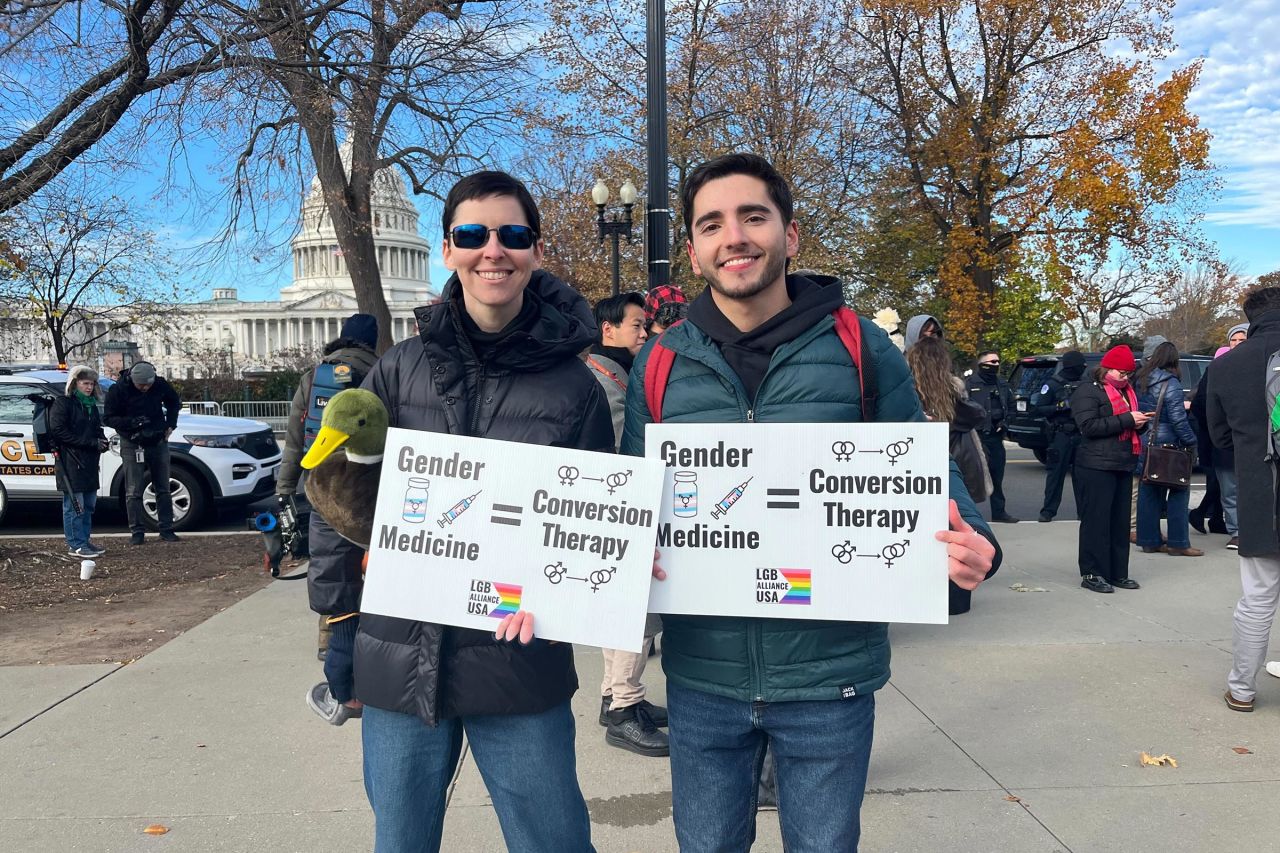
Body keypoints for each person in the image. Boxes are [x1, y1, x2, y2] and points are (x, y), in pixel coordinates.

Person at [620, 153, 999, 851]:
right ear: (695, 250)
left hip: (831, 679)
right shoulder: (661, 361)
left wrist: (977, 539)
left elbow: (917, 458)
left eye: (752, 216)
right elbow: (631, 499)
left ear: (789, 236)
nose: (733, 236)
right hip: (705, 678)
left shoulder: (861, 347)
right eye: (712, 223)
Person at [310, 171, 613, 850]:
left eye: (513, 235)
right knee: (402, 841)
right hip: (399, 654)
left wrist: (565, 597)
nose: (492, 251)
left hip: (518, 663)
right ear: (447, 250)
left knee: (555, 842)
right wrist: (336, 622)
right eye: (472, 235)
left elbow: (594, 531)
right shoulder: (395, 369)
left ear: (535, 249)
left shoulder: (576, 390)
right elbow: (337, 499)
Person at [584, 292, 668, 757]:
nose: (643, 333)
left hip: (618, 510)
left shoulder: (613, 374)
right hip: (622, 510)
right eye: (637, 325)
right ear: (608, 330)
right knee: (635, 612)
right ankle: (623, 706)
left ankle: (614, 695)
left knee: (623, 611)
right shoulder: (605, 381)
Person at [280, 313, 379, 665]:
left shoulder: (313, 377)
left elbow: (294, 439)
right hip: (363, 482)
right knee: (369, 563)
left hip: (320, 481)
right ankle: (369, 634)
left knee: (329, 563)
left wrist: (286, 487)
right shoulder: (381, 373)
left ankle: (331, 636)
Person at [1209, 289, 1280, 711]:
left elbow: (1217, 437)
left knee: (1257, 597)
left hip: (1260, 495)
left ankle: (1242, 689)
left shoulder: (1228, 366)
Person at [908, 336, 994, 616]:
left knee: (932, 528)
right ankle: (955, 598)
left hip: (922, 460)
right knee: (956, 526)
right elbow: (975, 415)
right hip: (955, 455)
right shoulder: (952, 387)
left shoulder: (906, 387)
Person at [1072, 346, 1152, 593]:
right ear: (1106, 368)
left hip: (1122, 462)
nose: (1125, 377)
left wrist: (1139, 424)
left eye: (1129, 373)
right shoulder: (1088, 391)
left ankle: (1118, 571)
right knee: (1096, 521)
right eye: (1121, 372)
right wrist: (1128, 420)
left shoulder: (1128, 392)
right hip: (1095, 465)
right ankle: (1092, 572)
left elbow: (1123, 424)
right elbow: (1088, 426)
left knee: (1119, 523)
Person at [1134, 341, 1203, 558]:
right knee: (1179, 492)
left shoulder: (1141, 379)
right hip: (1170, 443)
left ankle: (1149, 540)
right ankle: (1178, 543)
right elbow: (1178, 420)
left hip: (1147, 439)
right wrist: (1192, 442)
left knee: (1148, 492)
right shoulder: (1171, 383)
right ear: (1174, 360)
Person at [103, 361, 182, 544]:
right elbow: (108, 417)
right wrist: (131, 423)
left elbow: (173, 402)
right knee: (133, 490)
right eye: (141, 385)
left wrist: (171, 424)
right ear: (132, 379)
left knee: (163, 487)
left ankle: (166, 528)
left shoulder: (159, 384)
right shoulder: (118, 390)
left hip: (157, 440)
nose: (145, 388)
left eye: (148, 384)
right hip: (132, 441)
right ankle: (137, 532)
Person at [49, 365, 108, 558]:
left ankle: (83, 540)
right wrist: (90, 442)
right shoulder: (63, 403)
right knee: (75, 505)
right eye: (85, 383)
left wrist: (102, 441)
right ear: (75, 384)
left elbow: (96, 429)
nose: (89, 387)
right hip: (70, 461)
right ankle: (75, 544)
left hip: (89, 461)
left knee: (89, 505)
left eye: (91, 384)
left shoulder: (90, 405)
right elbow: (59, 431)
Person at [1032, 350, 1087, 522]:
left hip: (1081, 434)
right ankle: (1048, 511)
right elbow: (1039, 408)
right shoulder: (1053, 384)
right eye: (1080, 366)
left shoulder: (1085, 383)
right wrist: (1061, 406)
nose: (1083, 369)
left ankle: (1083, 512)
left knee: (1083, 477)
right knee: (1055, 475)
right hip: (1061, 434)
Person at [966, 349, 1018, 523]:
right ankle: (967, 516)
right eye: (991, 362)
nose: (995, 365)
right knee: (973, 478)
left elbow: (1012, 407)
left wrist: (1005, 423)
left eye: (997, 362)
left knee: (997, 476)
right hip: (976, 437)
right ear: (982, 365)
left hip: (995, 437)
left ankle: (999, 512)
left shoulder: (1002, 384)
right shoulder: (969, 384)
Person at [1189, 345, 1233, 543]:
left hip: (1216, 437)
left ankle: (1215, 518)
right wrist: (1213, 427)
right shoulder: (1213, 374)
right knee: (1222, 481)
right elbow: (1201, 405)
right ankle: (1203, 513)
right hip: (1217, 437)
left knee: (1219, 481)